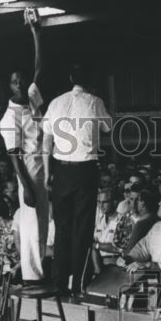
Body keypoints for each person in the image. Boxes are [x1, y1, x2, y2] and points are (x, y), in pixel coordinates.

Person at [42, 62, 112, 294]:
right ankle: (78, 284)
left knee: (62, 227)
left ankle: (59, 282)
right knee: (82, 227)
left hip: (61, 168)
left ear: (71, 79)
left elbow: (46, 141)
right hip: (85, 170)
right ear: (90, 81)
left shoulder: (55, 102)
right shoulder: (95, 101)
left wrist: (47, 171)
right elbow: (108, 128)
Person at [0, 7, 51, 285]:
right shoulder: (9, 118)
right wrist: (27, 188)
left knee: (43, 223)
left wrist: (36, 32)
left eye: (22, 80)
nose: (20, 85)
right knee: (32, 227)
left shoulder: (32, 97)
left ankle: (40, 269)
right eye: (15, 82)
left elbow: (39, 68)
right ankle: (33, 276)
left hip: (42, 168)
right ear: (9, 86)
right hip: (28, 174)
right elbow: (15, 159)